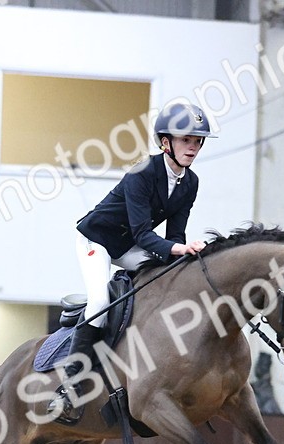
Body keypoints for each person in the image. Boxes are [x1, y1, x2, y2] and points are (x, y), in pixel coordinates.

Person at [48, 101, 217, 423]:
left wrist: (184, 253)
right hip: (97, 239)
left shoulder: (190, 182)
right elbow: (143, 232)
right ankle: (68, 387)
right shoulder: (142, 172)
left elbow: (175, 234)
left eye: (197, 142)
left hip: (130, 245)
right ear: (165, 142)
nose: (193, 148)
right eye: (186, 140)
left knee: (165, 283)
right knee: (100, 300)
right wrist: (179, 249)